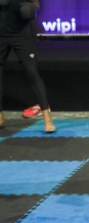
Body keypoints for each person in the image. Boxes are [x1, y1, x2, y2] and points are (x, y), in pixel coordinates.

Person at [0, 0, 55, 132]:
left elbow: (35, 5)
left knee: (33, 73)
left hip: (21, 35)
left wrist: (29, 8)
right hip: (0, 34)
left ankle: (47, 119)